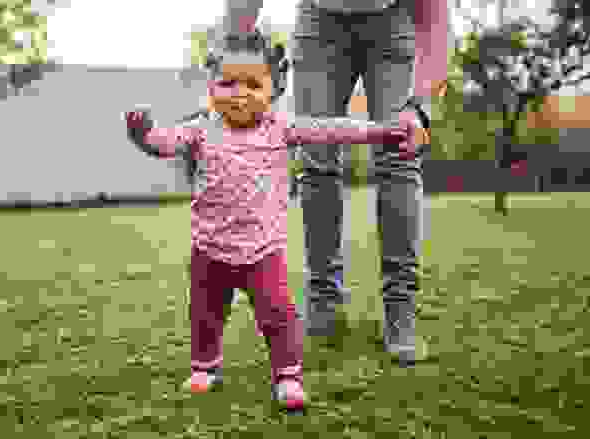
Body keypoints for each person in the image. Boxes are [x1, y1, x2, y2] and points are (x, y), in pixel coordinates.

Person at [125, 29, 416, 412]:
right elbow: (164, 143)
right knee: (206, 315)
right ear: (211, 85)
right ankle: (205, 366)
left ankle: (288, 375)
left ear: (275, 88)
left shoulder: (281, 127)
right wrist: (142, 134)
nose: (239, 92)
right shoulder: (201, 128)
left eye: (252, 83)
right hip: (209, 250)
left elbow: (334, 129)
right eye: (227, 82)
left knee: (278, 315)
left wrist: (382, 130)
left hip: (264, 251)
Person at [218, 0, 448, 367]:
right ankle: (323, 301)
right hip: (319, 23)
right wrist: (233, 50)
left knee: (400, 154)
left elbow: (434, 12)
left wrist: (420, 106)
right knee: (316, 157)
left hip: (393, 20)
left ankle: (400, 308)